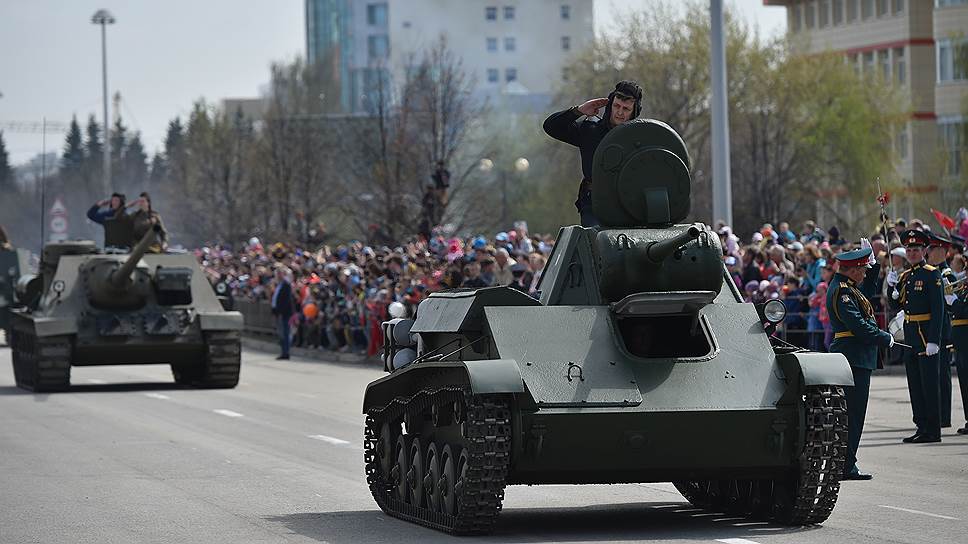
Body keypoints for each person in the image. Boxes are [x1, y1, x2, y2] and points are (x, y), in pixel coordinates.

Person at [827, 242, 894, 480]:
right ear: (853, 269)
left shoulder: (847, 287)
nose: (865, 273)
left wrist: (875, 268)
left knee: (853, 415)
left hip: (856, 356)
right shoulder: (842, 292)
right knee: (852, 415)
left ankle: (847, 462)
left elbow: (865, 295)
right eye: (864, 269)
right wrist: (884, 338)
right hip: (853, 356)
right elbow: (858, 326)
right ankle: (846, 465)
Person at [542, 80, 643, 227]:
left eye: (626, 109)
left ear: (634, 111)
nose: (620, 112)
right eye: (616, 106)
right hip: (595, 202)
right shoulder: (591, 130)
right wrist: (579, 111)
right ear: (610, 105)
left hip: (628, 202)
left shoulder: (640, 137)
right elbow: (551, 126)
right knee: (595, 240)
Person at [887, 229, 945, 443]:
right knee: (915, 384)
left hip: (925, 335)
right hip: (910, 336)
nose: (911, 253)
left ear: (924, 251)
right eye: (909, 250)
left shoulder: (931, 274)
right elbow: (895, 304)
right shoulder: (905, 276)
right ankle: (921, 426)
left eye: (916, 249)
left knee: (929, 384)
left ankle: (933, 430)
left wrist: (934, 340)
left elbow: (939, 310)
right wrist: (890, 286)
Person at [927, 232, 957, 429]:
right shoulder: (932, 272)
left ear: (942, 251)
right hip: (932, 330)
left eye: (932, 249)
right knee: (933, 375)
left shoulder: (946, 275)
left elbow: (952, 305)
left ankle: (944, 416)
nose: (928, 252)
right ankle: (935, 415)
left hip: (944, 330)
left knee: (942, 375)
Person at [271, 267, 294, 360]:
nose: (277, 276)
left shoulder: (286, 285)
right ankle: (283, 351)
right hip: (279, 312)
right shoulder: (280, 285)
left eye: (279, 274)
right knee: (282, 333)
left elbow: (286, 300)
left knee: (285, 333)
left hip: (284, 313)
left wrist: (280, 311)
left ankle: (286, 352)